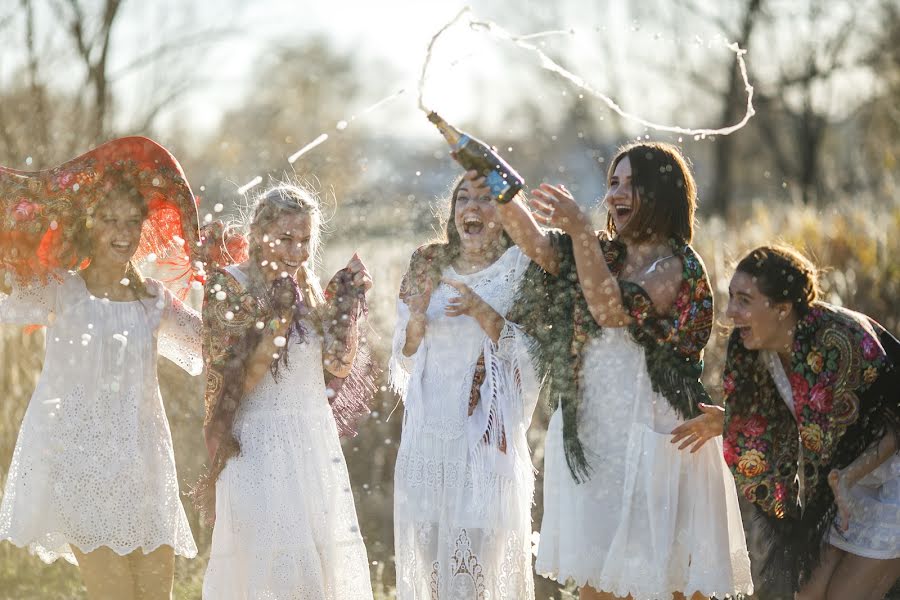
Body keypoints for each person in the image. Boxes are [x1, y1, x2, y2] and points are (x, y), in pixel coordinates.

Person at [480, 141, 753, 599]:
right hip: (596, 438)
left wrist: (581, 232)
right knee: (597, 582)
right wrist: (494, 179)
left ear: (664, 194)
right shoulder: (602, 254)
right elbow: (537, 244)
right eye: (613, 182)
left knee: (662, 584)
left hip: (656, 441)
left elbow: (610, 308)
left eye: (632, 183)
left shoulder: (677, 266)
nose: (616, 193)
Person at [0, 137, 204, 600]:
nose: (122, 231)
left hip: (144, 464)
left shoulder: (153, 301)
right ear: (88, 224)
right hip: (78, 463)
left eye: (132, 222)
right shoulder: (60, 291)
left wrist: (224, 277)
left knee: (156, 596)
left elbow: (212, 345)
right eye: (109, 219)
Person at [671, 244, 900, 599]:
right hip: (844, 482)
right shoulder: (758, 351)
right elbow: (771, 426)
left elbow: (895, 424)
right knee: (806, 594)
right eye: (731, 297)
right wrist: (729, 422)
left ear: (782, 308)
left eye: (744, 300)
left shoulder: (841, 339)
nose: (730, 312)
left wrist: (847, 477)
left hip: (891, 473)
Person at [196, 182, 376, 600]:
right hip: (257, 445)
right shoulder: (231, 285)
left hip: (312, 442)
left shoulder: (309, 287)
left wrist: (347, 309)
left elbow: (337, 366)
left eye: (306, 240)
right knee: (271, 570)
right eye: (287, 239)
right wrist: (277, 319)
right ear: (259, 234)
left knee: (318, 574)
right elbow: (232, 383)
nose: (297, 251)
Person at [390, 175, 540, 599]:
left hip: (483, 439)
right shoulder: (428, 261)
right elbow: (403, 350)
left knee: (475, 578)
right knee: (435, 575)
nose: (470, 208)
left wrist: (483, 313)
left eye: (485, 199)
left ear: (509, 213)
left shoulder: (520, 268)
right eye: (462, 198)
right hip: (428, 438)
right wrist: (415, 326)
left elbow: (532, 354)